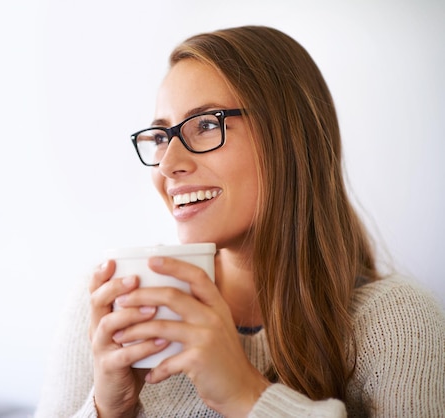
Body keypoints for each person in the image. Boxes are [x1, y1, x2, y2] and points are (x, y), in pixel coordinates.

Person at [34, 26, 445, 417]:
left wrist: (246, 396)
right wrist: (108, 408)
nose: (169, 164)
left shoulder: (396, 323)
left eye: (206, 125)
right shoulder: (115, 300)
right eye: (161, 137)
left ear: (287, 139)